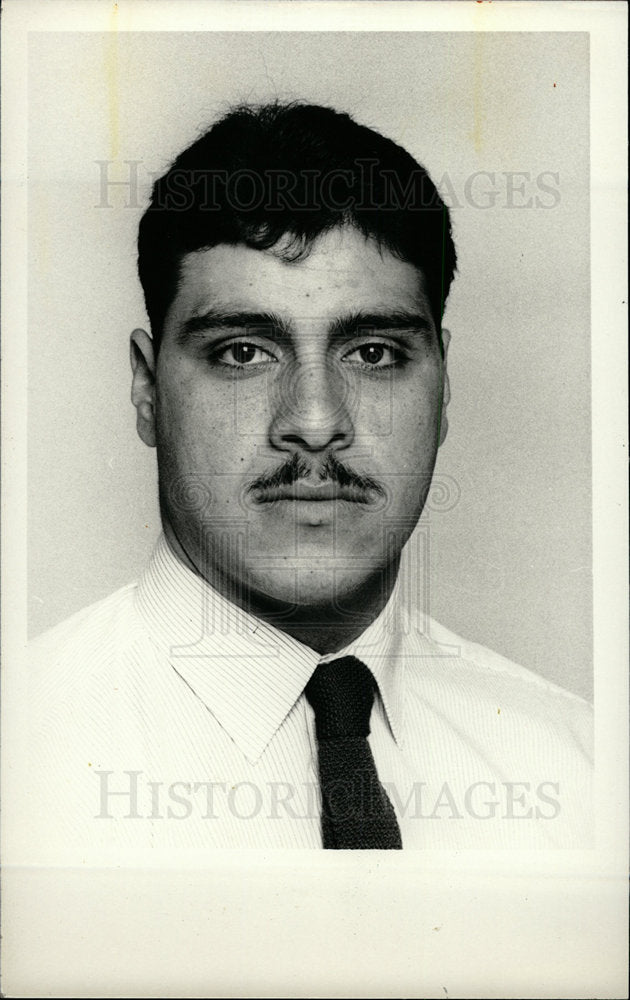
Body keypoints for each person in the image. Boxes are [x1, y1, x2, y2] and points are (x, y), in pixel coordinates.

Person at [26, 102, 592, 852]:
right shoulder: (24, 755)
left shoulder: (583, 771)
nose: (317, 421)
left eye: (374, 353)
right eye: (242, 352)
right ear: (146, 390)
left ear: (444, 386)